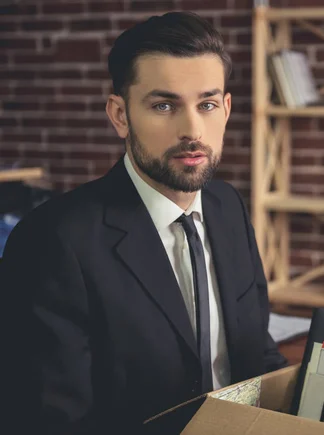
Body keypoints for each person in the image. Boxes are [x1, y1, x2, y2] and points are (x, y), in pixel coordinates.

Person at [0, 12, 286, 433]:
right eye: (164, 105)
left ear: (225, 109)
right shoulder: (52, 241)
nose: (192, 129)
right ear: (119, 115)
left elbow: (257, 354)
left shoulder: (227, 207)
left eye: (206, 104)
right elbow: (50, 422)